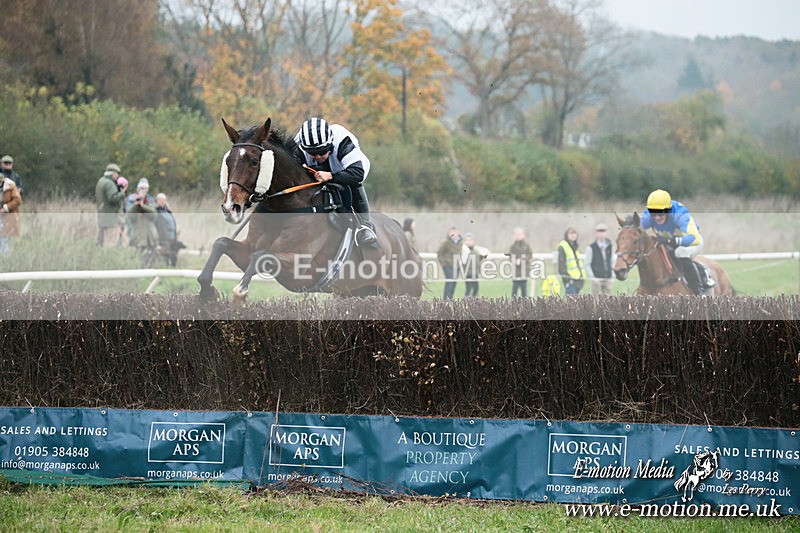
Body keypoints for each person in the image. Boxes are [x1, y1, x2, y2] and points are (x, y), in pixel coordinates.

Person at [292, 117, 378, 248]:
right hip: (315, 170)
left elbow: (357, 173)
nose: (318, 157)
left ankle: (365, 225)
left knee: (353, 182)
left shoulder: (342, 140)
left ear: (330, 144)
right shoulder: (298, 144)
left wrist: (330, 175)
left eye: (321, 152)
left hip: (346, 168)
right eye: (312, 154)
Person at [641, 189, 713, 295]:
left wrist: (670, 240)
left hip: (691, 243)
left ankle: (698, 290)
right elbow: (637, 229)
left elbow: (694, 239)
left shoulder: (680, 214)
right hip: (669, 245)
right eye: (653, 213)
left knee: (680, 252)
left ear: (668, 210)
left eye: (660, 214)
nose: (656, 217)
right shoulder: (648, 215)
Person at [95, 163, 127, 246]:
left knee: (102, 241)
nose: (118, 177)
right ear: (113, 174)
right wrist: (122, 193)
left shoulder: (100, 181)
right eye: (117, 174)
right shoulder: (110, 184)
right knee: (111, 242)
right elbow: (113, 199)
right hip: (111, 218)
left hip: (103, 216)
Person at [127, 181, 159, 254]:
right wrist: (135, 205)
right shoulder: (133, 208)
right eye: (139, 199)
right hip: (139, 239)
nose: (140, 200)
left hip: (150, 238)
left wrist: (143, 206)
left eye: (142, 198)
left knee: (152, 257)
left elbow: (154, 215)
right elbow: (130, 217)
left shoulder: (150, 206)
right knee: (138, 257)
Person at [584, 223, 614, 295]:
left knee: (608, 302)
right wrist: (593, 277)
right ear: (596, 233)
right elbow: (587, 264)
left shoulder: (611, 246)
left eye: (603, 231)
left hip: (608, 279)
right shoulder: (591, 247)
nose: (601, 234)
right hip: (596, 280)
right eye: (599, 231)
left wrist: (613, 277)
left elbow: (613, 262)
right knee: (597, 302)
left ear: (606, 233)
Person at [155, 193, 184, 266]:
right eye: (160, 200)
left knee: (173, 252)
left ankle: (172, 267)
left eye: (164, 200)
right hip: (164, 236)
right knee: (165, 253)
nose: (162, 202)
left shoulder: (167, 211)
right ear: (157, 201)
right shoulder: (156, 211)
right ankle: (165, 266)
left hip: (172, 236)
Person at [557, 226, 586, 296]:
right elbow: (561, 266)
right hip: (570, 281)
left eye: (574, 233)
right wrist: (568, 279)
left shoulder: (574, 247)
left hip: (578, 280)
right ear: (567, 235)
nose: (573, 235)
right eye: (571, 233)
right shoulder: (563, 246)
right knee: (571, 304)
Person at [461, 233, 489, 297]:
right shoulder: (463, 251)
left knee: (476, 288)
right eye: (467, 240)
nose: (469, 242)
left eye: (471, 240)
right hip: (467, 273)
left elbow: (479, 260)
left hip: (475, 273)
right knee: (468, 288)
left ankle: (474, 302)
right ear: (465, 242)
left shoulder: (476, 251)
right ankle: (466, 302)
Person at [437, 227, 462, 300]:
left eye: (455, 233)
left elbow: (460, 253)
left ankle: (450, 299)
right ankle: (446, 300)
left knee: (454, 283)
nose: (454, 235)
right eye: (452, 233)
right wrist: (444, 264)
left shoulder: (460, 242)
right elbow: (439, 253)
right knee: (449, 282)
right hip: (448, 265)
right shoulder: (446, 243)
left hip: (457, 266)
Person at [507, 227, 532, 297]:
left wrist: (522, 260)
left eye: (520, 234)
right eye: (516, 234)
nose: (518, 236)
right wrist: (515, 260)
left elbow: (530, 255)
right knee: (514, 289)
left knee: (524, 289)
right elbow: (510, 256)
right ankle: (513, 305)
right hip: (516, 271)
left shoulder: (526, 246)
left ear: (523, 235)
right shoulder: (513, 246)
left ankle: (525, 305)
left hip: (524, 271)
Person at [1, 173, 22, 252]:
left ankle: (5, 256)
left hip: (7, 216)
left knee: (5, 237)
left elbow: (18, 200)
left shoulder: (11, 187)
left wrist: (6, 208)